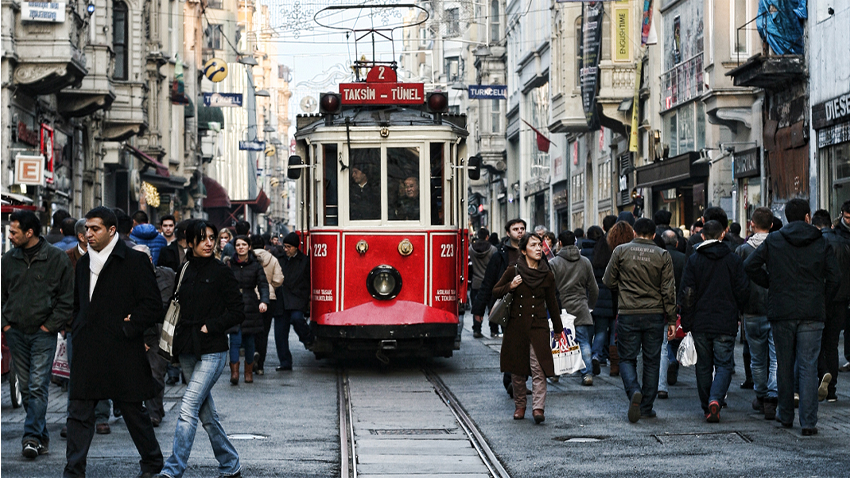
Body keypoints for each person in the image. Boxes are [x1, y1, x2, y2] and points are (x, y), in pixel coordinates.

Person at [64, 207, 164, 478]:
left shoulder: (134, 260)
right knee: (79, 411)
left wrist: (129, 327)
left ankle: (152, 461)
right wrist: (77, 327)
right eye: (86, 229)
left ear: (111, 231)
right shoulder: (84, 263)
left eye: (95, 229)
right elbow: (78, 304)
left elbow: (154, 305)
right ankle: (73, 471)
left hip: (121, 349)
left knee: (133, 410)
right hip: (87, 348)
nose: (88, 234)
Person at [743, 198, 841, 436]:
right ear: (808, 217)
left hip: (781, 310)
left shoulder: (775, 240)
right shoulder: (820, 241)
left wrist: (772, 284)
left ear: (786, 217)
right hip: (812, 312)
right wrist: (821, 298)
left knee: (784, 365)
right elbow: (835, 278)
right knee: (808, 366)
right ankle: (808, 422)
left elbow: (749, 265)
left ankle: (785, 415)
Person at [155, 220, 245, 478]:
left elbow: (238, 310)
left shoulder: (221, 271)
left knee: (187, 407)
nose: (208, 243)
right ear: (190, 242)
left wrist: (211, 326)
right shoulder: (183, 270)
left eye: (211, 237)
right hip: (186, 347)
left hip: (212, 349)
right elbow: (174, 306)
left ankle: (173, 469)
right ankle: (230, 464)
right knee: (206, 414)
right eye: (202, 238)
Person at [2, 210, 74, 459]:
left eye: (14, 231)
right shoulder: (8, 260)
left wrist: (49, 326)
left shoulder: (57, 259)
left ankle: (31, 436)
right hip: (15, 332)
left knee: (37, 385)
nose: (10, 236)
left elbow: (67, 298)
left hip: (43, 333)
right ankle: (41, 436)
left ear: (29, 233)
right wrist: (5, 325)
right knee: (28, 386)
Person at [604, 217, 677, 423]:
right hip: (654, 314)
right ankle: (646, 407)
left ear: (634, 233)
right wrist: (671, 319)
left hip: (628, 312)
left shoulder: (620, 251)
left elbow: (608, 280)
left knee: (627, 358)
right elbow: (668, 290)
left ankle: (634, 391)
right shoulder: (663, 255)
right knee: (652, 361)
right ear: (654, 235)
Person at [678, 220, 750, 423]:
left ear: (703, 236)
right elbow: (743, 289)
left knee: (703, 365)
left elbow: (687, 292)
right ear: (722, 235)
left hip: (700, 320)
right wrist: (738, 310)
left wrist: (686, 319)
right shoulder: (732, 259)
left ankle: (706, 406)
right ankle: (716, 399)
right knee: (724, 364)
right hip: (725, 320)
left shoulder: (694, 259)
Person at [492, 233, 563, 424]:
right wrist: (511, 286)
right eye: (533, 245)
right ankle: (520, 405)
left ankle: (538, 408)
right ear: (524, 251)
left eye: (540, 245)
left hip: (538, 326)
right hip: (516, 326)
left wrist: (558, 329)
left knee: (539, 368)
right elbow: (495, 291)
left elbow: (553, 303)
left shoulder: (547, 274)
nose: (539, 248)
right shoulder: (513, 270)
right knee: (517, 370)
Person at [736, 207, 778, 419]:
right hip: (776, 308)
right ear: (772, 225)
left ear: (752, 224)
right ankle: (772, 395)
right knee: (775, 357)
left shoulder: (742, 250)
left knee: (757, 358)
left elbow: (737, 282)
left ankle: (761, 395)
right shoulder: (779, 246)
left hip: (751, 311)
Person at [132, 244, 175, 428]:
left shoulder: (166, 275)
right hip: (139, 331)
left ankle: (154, 412)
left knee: (156, 372)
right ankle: (149, 409)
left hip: (161, 332)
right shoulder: (129, 279)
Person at [549, 230, 598, 385]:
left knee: (559, 342)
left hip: (561, 307)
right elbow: (594, 288)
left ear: (560, 243)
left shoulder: (554, 263)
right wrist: (590, 305)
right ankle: (587, 374)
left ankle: (556, 373)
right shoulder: (585, 262)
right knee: (584, 341)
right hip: (581, 306)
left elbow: (549, 289)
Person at [817, 203, 850, 402]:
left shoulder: (816, 243)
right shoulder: (844, 243)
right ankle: (832, 390)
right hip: (841, 300)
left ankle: (823, 375)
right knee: (832, 344)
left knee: (818, 343)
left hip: (821, 299)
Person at [227, 236, 270, 385]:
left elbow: (263, 284)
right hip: (233, 304)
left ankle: (248, 372)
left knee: (250, 340)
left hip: (251, 304)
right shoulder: (229, 264)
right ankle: (234, 373)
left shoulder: (256, 265)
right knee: (235, 339)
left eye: (243, 244)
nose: (240, 247)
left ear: (249, 246)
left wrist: (264, 301)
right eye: (238, 245)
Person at [274, 232, 315, 371]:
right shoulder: (279, 259)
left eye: (289, 247)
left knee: (297, 319)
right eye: (285, 246)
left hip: (297, 297)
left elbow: (309, 280)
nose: (286, 249)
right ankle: (285, 362)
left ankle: (307, 338)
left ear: (296, 247)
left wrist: (308, 298)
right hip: (281, 299)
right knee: (280, 333)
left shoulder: (304, 261)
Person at [658, 229, 687, 398]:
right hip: (678, 302)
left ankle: (670, 361)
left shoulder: (658, 257)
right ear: (677, 243)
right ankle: (673, 358)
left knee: (662, 343)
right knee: (676, 334)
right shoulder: (683, 258)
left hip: (661, 304)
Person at [250, 235, 284, 376]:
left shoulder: (248, 258)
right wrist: (271, 287)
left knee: (250, 331)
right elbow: (279, 279)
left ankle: (251, 358)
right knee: (264, 333)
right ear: (264, 246)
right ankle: (260, 366)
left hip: (250, 297)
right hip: (269, 298)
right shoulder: (273, 259)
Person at [590, 216, 619, 376]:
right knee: (614, 330)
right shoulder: (617, 245)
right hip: (613, 296)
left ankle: (595, 355)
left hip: (600, 296)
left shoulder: (599, 246)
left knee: (600, 330)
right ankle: (613, 361)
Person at [469, 227, 497, 338]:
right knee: (492, 308)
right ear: (487, 237)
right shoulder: (493, 250)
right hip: (490, 283)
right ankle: (493, 330)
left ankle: (477, 329)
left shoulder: (471, 249)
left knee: (477, 307)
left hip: (476, 282)